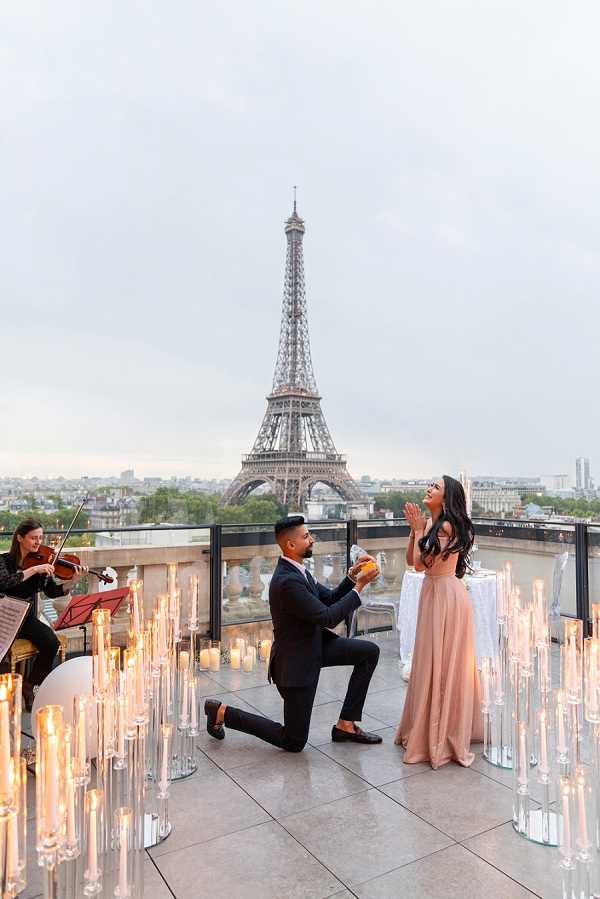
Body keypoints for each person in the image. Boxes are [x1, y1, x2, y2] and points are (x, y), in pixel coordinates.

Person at [204, 515, 383, 751]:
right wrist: (360, 587)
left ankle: (345, 725)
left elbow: (328, 599)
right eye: (306, 536)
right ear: (290, 545)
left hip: (315, 646)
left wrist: (351, 576)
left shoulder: (299, 570)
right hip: (296, 664)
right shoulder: (287, 582)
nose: (312, 540)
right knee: (294, 741)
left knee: (368, 652)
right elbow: (328, 617)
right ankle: (222, 712)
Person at [395, 476, 483, 768]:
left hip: (446, 595)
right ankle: (431, 726)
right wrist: (414, 531)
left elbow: (422, 564)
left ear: (446, 498)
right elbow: (413, 560)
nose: (428, 489)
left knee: (442, 661)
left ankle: (441, 732)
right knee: (431, 659)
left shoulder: (445, 526)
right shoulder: (435, 526)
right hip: (435, 593)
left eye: (435, 487)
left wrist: (420, 529)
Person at [0, 518, 86, 709]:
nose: (39, 542)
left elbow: (52, 592)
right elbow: (5, 582)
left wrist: (73, 582)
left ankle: (29, 686)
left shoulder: (43, 563)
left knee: (51, 642)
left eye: (40, 537)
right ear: (20, 538)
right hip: (5, 617)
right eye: (33, 538)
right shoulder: (4, 561)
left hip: (26, 618)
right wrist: (34, 569)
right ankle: (6, 695)